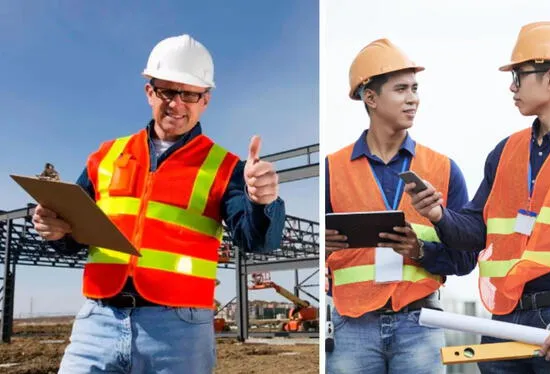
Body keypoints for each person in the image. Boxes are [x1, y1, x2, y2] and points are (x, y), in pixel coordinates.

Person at [31, 34, 286, 373]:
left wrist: (262, 202)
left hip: (178, 332)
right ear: (149, 92)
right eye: (167, 91)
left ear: (205, 100)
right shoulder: (106, 156)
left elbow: (257, 241)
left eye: (189, 94)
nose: (177, 104)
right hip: (98, 321)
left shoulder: (226, 168)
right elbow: (73, 238)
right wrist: (54, 231)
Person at [406, 22, 550, 373]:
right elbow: (474, 231)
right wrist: (439, 214)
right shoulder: (505, 152)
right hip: (502, 318)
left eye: (519, 75)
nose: (511, 87)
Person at [324, 38, 478, 374]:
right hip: (353, 327)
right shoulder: (331, 170)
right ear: (371, 98)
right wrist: (323, 246)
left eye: (415, 88)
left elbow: (467, 257)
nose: (413, 99)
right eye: (401, 89)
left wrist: (421, 251)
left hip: (419, 324)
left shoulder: (444, 169)